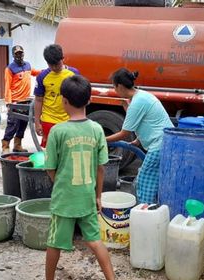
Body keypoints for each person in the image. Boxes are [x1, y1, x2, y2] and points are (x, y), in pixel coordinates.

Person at [44, 75, 115, 280]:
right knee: (95, 241)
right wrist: (98, 196)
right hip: (87, 196)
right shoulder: (96, 129)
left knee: (54, 242)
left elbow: (50, 168)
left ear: (63, 100)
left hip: (64, 199)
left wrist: (61, 184)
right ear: (89, 100)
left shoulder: (58, 131)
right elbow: (101, 168)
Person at [106, 68, 173, 204]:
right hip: (165, 142)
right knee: (151, 180)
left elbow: (124, 133)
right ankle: (152, 209)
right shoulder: (141, 96)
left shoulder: (137, 102)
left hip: (159, 145)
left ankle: (145, 211)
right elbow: (146, 121)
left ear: (119, 86)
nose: (114, 90)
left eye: (113, 86)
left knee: (144, 181)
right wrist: (138, 140)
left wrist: (101, 140)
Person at [34, 44, 79, 148]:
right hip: (48, 121)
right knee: (50, 155)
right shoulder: (42, 77)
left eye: (57, 64)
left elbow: (79, 99)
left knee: (68, 151)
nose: (54, 67)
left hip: (69, 121)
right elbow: (38, 100)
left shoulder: (74, 74)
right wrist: (37, 122)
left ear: (63, 58)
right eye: (51, 65)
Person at [2, 45, 41, 154]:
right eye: (17, 53)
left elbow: (35, 72)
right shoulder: (10, 68)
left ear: (23, 53)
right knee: (12, 124)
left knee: (23, 123)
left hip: (26, 101)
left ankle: (17, 145)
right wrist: (9, 102)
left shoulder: (27, 65)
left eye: (21, 53)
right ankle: (5, 146)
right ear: (13, 55)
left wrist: (47, 70)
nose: (19, 55)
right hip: (15, 101)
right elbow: (7, 86)